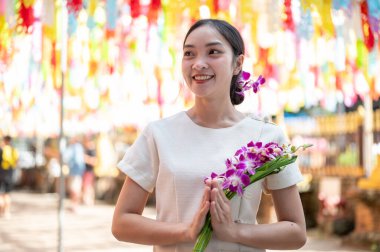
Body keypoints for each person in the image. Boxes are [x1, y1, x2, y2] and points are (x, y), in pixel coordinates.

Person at [112, 19, 307, 251]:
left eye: (213, 52)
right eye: (189, 54)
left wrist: (233, 231)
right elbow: (122, 223)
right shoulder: (159, 134)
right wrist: (186, 230)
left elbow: (295, 232)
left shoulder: (266, 138)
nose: (198, 64)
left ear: (238, 64)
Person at [0, 135, 19, 218]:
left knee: (0, 195)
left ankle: (1, 212)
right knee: (7, 194)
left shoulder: (2, 150)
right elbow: (16, 162)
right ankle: (6, 212)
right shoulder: (13, 150)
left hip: (1, 174)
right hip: (10, 174)